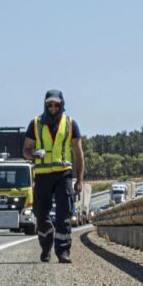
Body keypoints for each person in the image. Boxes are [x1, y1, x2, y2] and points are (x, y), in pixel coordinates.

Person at [23, 90, 85, 264]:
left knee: (63, 213)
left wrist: (79, 181)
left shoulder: (71, 124)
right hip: (42, 176)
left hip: (63, 174)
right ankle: (46, 245)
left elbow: (79, 155)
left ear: (62, 105)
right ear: (45, 104)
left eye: (56, 104)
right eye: (49, 104)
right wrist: (35, 153)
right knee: (40, 215)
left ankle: (63, 251)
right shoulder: (35, 124)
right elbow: (26, 151)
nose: (53, 107)